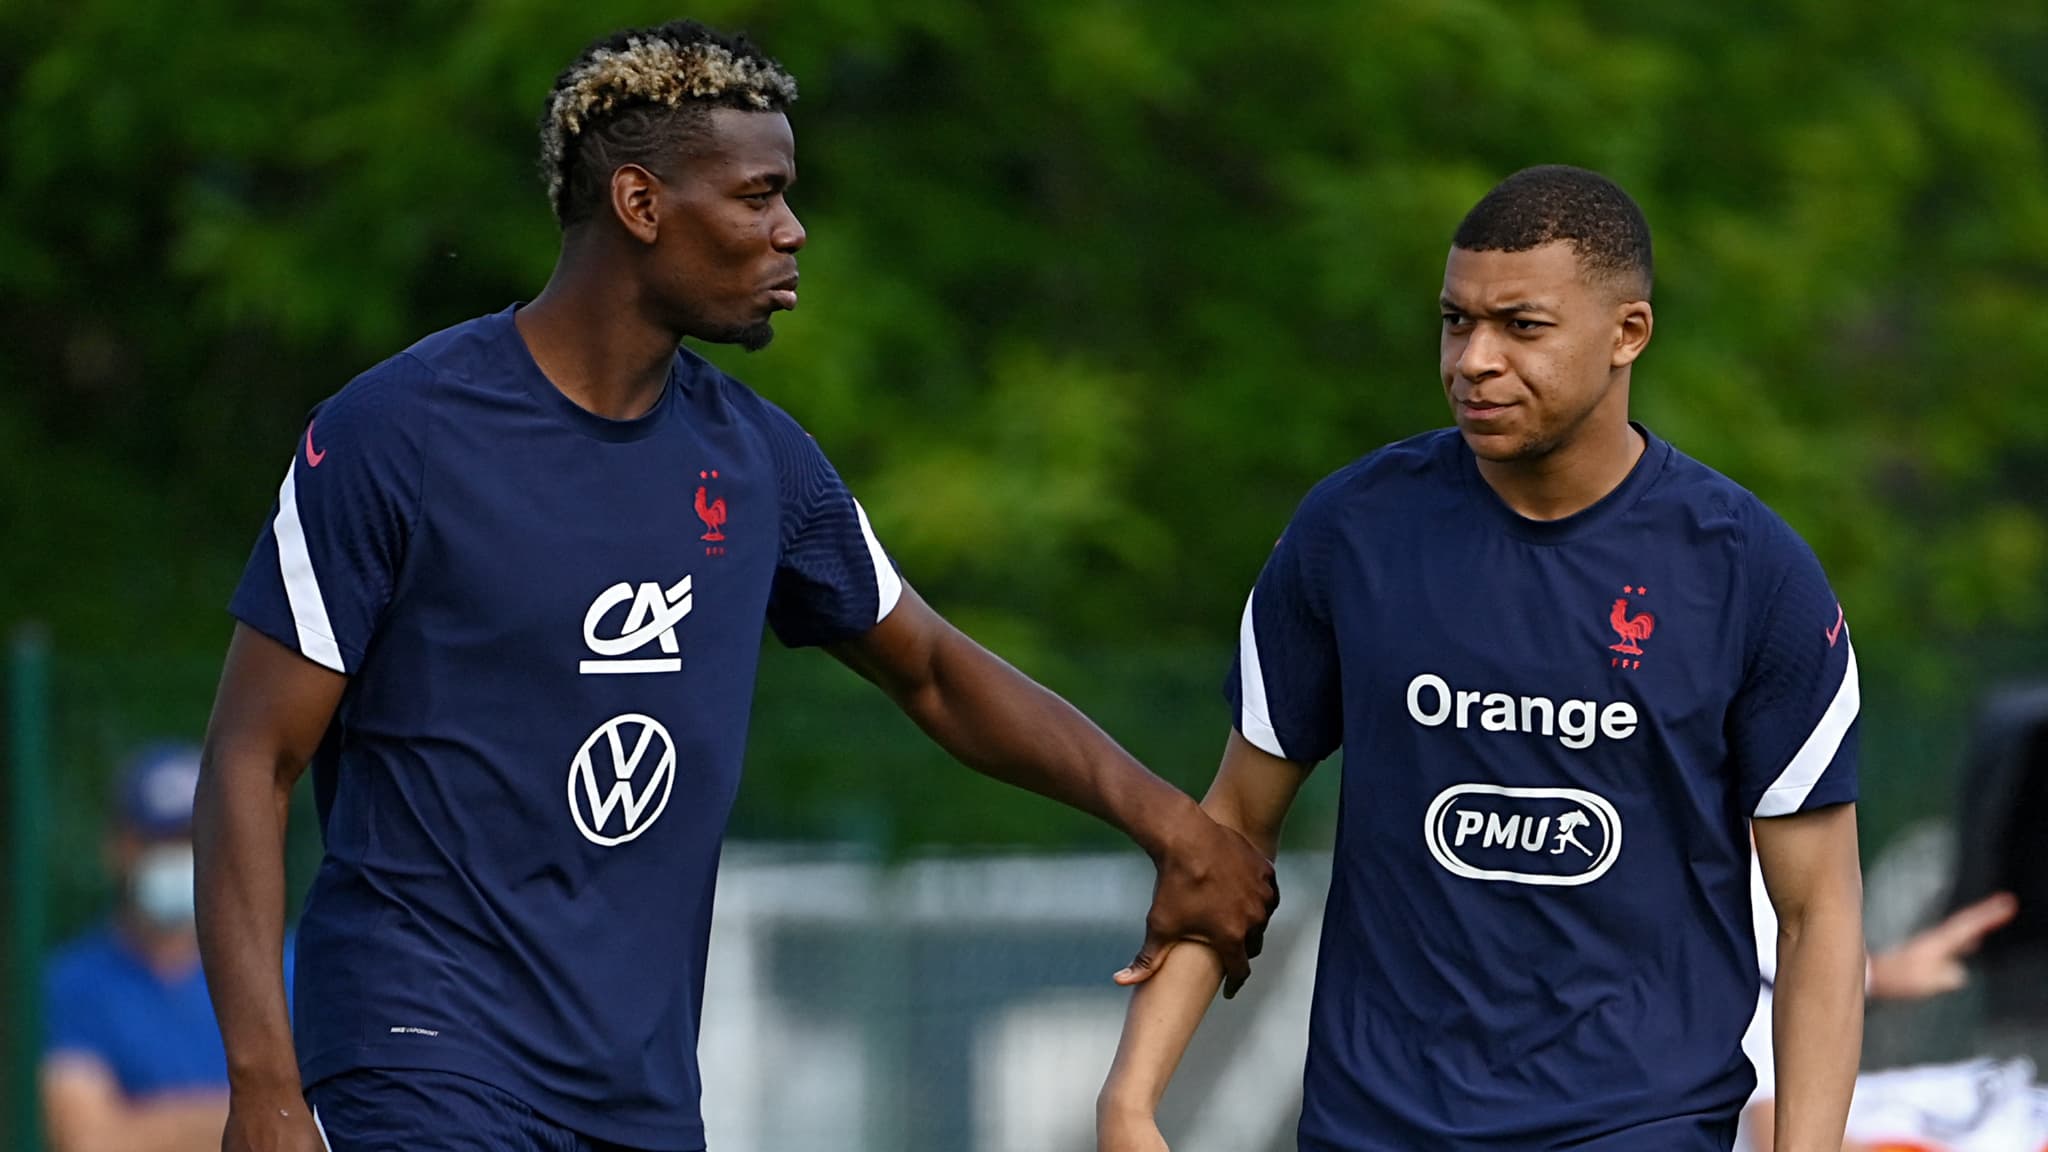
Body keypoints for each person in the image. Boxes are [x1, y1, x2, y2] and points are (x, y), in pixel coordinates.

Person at [193, 19, 1276, 1152]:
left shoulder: (755, 462)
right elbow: (250, 759)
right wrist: (266, 1087)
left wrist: (1172, 828)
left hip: (639, 1093)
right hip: (418, 1056)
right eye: (758, 196)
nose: (790, 230)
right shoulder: (397, 435)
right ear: (640, 204)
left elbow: (936, 672)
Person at [1097, 165, 1868, 1152]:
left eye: (1520, 326)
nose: (1472, 359)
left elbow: (1816, 912)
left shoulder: (1750, 576)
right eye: (1455, 322)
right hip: (1372, 1127)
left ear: (1625, 333)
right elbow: (1232, 832)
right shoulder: (1352, 533)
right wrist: (1127, 1102)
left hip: (1633, 1126)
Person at [42, 743, 291, 1152]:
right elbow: (90, 1141)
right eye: (159, 840)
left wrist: (147, 1125)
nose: (179, 855)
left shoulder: (283, 967)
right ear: (119, 848)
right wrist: (253, 1110)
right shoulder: (73, 985)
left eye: (192, 837)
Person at [1741, 854, 2020, 1152]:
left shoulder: (1756, 873)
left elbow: (1776, 972)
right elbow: (1779, 1135)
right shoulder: (1729, 875)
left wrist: (1882, 975)